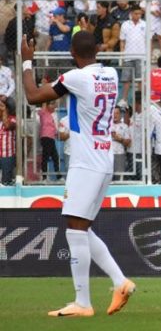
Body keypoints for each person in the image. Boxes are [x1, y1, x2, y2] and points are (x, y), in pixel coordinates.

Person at [21, 31, 135, 317]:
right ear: (97, 49)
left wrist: (26, 62)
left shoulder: (76, 78)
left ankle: (83, 302)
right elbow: (88, 60)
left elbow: (34, 96)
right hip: (104, 159)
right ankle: (121, 282)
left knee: (74, 230)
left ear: (72, 53)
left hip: (85, 162)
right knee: (82, 229)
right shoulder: (110, 73)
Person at [119, 6, 146, 105]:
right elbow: (122, 41)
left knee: (141, 79)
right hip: (128, 55)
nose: (138, 15)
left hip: (141, 55)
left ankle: (142, 100)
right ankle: (124, 99)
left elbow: (149, 40)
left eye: (140, 14)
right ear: (131, 13)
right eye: (136, 13)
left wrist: (149, 54)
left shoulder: (145, 24)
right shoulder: (125, 25)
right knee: (126, 79)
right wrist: (122, 55)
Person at [37, 100, 60, 181]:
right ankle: (44, 177)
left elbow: (53, 128)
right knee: (46, 157)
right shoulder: (43, 113)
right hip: (45, 137)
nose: (54, 106)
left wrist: (57, 133)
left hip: (51, 138)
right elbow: (44, 101)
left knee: (55, 157)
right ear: (46, 105)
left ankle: (58, 176)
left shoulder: (51, 116)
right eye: (52, 104)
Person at [111, 107, 130, 181]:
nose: (115, 115)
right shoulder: (106, 126)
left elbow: (128, 143)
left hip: (120, 154)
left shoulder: (125, 126)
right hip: (108, 154)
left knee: (119, 179)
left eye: (117, 113)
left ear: (120, 115)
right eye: (113, 113)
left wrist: (120, 139)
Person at [0, 98, 16, 185]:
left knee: (5, 182)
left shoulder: (13, 119)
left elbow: (7, 125)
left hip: (7, 156)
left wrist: (4, 111)